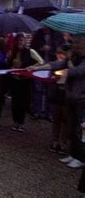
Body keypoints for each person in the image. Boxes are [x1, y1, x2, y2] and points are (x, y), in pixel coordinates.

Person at [30, 34, 85, 169]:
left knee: (79, 129)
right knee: (71, 127)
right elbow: (57, 64)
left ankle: (81, 157)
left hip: (81, 98)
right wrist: (38, 67)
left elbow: (78, 72)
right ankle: (73, 154)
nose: (75, 46)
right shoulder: (73, 57)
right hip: (70, 96)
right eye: (75, 43)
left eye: (79, 44)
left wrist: (63, 72)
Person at [7, 33, 43, 132]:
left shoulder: (30, 51)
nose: (19, 42)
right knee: (15, 102)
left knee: (23, 102)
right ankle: (15, 122)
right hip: (14, 80)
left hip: (24, 80)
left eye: (21, 40)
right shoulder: (13, 52)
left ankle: (21, 122)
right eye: (18, 40)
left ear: (24, 41)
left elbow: (41, 62)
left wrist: (32, 67)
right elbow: (8, 65)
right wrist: (9, 61)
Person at [30, 28, 64, 120]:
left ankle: (49, 113)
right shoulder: (38, 35)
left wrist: (53, 50)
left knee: (50, 90)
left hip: (52, 66)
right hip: (39, 65)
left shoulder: (57, 35)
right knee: (37, 89)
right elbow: (32, 49)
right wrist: (41, 48)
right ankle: (37, 111)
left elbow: (61, 49)